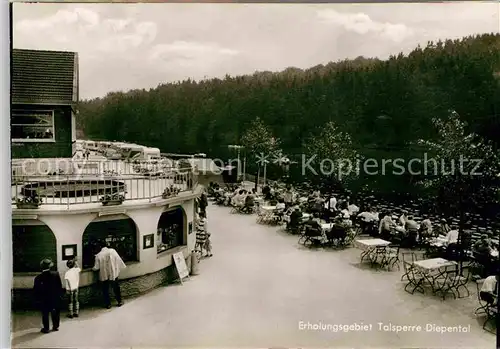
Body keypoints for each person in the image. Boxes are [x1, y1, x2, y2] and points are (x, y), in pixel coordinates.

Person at [93, 241, 126, 309]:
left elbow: (96, 267)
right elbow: (119, 260)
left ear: (99, 247)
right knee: (116, 287)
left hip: (104, 275)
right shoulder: (112, 251)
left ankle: (108, 304)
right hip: (113, 273)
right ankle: (119, 301)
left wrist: (92, 268)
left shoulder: (98, 255)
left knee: (105, 289)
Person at [33, 259, 63, 333]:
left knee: (45, 313)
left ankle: (46, 328)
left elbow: (36, 290)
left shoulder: (38, 278)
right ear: (50, 266)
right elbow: (59, 286)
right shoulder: (56, 274)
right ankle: (55, 326)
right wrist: (59, 295)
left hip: (44, 299)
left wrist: (37, 299)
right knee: (55, 312)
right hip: (54, 297)